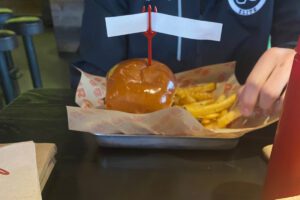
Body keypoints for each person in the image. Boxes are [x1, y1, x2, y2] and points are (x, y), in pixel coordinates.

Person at [73, 0, 300, 116]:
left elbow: (293, 41)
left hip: (249, 130)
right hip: (130, 152)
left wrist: (294, 63)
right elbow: (93, 79)